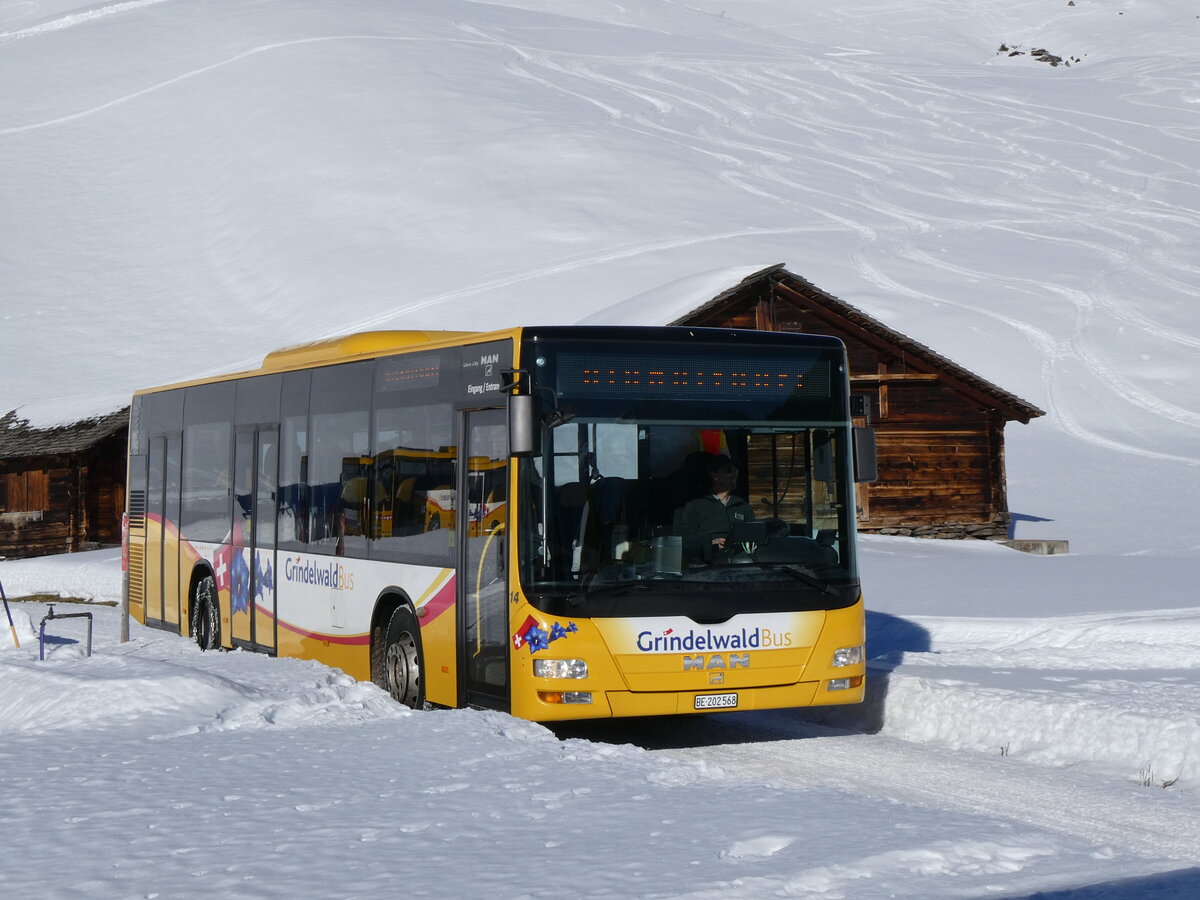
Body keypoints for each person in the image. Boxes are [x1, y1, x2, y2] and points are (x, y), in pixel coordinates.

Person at [679, 456, 755, 561]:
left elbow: (754, 537)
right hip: (705, 564)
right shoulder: (695, 506)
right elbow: (685, 539)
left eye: (736, 470)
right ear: (714, 475)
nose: (735, 474)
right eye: (728, 471)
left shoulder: (742, 506)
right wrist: (710, 542)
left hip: (739, 562)